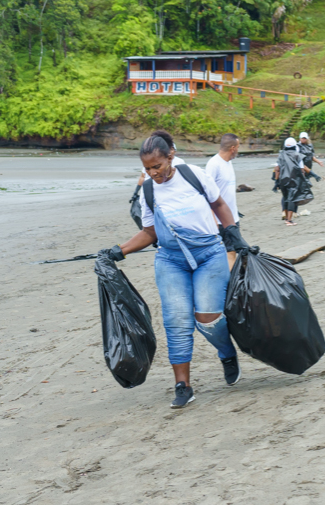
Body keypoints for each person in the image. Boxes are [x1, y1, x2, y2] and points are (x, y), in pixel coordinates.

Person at [105, 130, 251, 409]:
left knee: (207, 317)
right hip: (171, 260)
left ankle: (226, 352)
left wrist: (232, 232)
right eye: (147, 168)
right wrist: (119, 250)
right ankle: (182, 386)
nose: (153, 173)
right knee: (176, 321)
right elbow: (150, 233)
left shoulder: (193, 175)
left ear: (170, 155)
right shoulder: (148, 189)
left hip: (209, 253)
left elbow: (219, 204)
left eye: (157, 166)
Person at [206, 133, 241, 268]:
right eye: (238, 147)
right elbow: (206, 193)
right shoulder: (214, 165)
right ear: (232, 148)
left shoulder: (228, 163)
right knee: (228, 253)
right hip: (219, 220)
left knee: (233, 251)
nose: (238, 150)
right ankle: (230, 285)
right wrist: (212, 219)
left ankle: (231, 282)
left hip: (233, 217)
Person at [274, 138, 310, 226]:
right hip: (294, 180)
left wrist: (276, 181)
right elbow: (302, 170)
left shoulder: (281, 155)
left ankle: (286, 217)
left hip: (283, 180)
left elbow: (277, 169)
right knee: (292, 199)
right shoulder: (298, 155)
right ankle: (289, 220)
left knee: (285, 197)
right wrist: (303, 181)